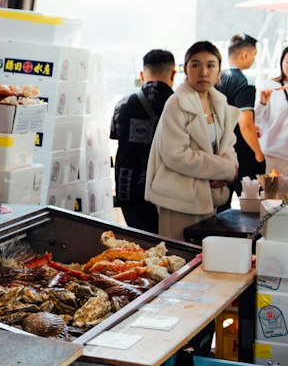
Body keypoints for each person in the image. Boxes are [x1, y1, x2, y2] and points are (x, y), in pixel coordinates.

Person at [145, 40, 238, 240]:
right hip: (178, 197)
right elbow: (176, 155)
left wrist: (229, 168)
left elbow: (228, 144)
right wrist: (226, 169)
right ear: (185, 69)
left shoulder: (219, 103)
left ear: (219, 69)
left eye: (210, 65)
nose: (203, 71)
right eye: (195, 64)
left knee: (204, 259)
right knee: (180, 260)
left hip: (208, 197)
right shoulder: (176, 103)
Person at [109, 48, 176, 233]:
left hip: (128, 189)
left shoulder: (122, 104)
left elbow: (116, 136)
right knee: (166, 245)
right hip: (165, 190)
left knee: (140, 243)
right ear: (173, 74)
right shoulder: (181, 106)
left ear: (142, 73)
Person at [217, 33, 265, 194]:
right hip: (240, 153)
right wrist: (258, 153)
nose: (253, 60)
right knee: (253, 201)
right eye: (253, 55)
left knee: (221, 203)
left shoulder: (217, 78)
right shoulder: (244, 82)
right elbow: (245, 124)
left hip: (217, 149)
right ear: (245, 54)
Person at [256, 45, 288, 173]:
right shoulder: (269, 86)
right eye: (287, 61)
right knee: (271, 192)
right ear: (281, 63)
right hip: (273, 155)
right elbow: (255, 119)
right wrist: (263, 102)